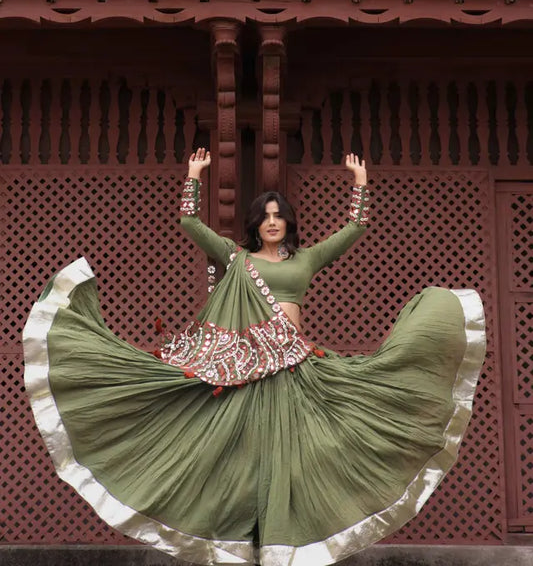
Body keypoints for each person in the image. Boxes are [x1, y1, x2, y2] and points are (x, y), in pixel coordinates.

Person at [23, 148, 486, 566]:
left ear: (288, 222)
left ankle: (288, 545)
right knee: (237, 461)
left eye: (278, 215)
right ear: (254, 223)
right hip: (245, 372)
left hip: (297, 370)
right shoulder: (236, 258)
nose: (271, 222)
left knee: (302, 458)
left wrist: (360, 184)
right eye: (264, 216)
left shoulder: (305, 260)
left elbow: (355, 230)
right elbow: (189, 224)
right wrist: (193, 176)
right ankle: (232, 546)